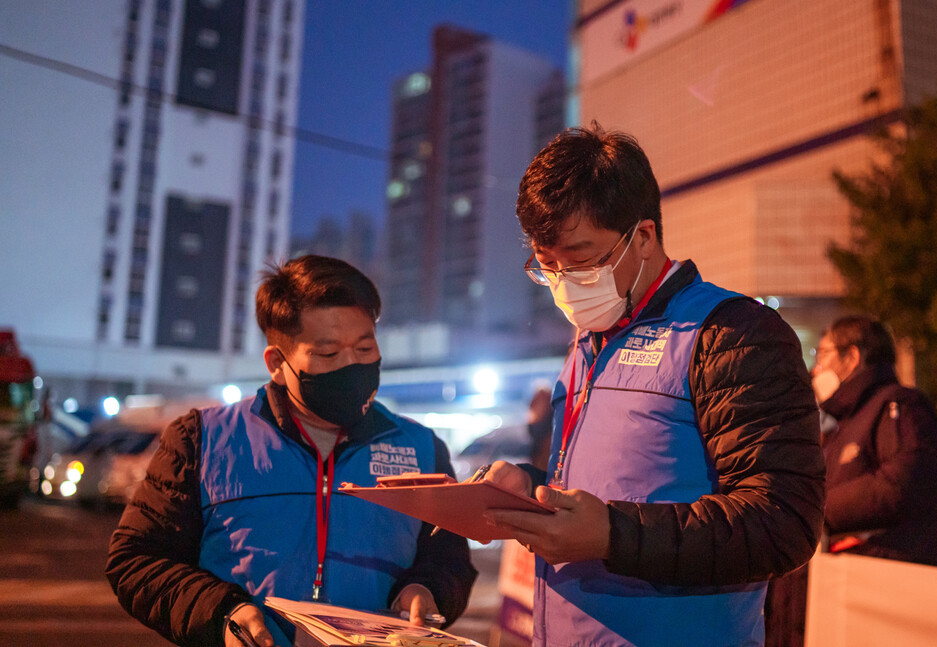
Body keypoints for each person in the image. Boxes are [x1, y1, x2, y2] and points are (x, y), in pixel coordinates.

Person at [482, 124, 826, 646]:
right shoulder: (588, 341)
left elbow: (782, 523)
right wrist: (530, 489)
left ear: (642, 237)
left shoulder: (732, 334)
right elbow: (607, 486)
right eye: (547, 265)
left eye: (581, 259)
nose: (564, 283)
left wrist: (613, 536)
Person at [105, 256, 476, 647]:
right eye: (329, 355)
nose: (352, 366)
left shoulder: (421, 448)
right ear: (277, 364)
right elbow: (136, 561)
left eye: (365, 349)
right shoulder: (201, 440)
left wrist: (427, 589)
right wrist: (222, 613)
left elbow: (450, 561)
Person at [765, 316, 937, 647]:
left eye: (822, 355)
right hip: (833, 609)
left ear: (852, 357)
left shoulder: (899, 405)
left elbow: (901, 484)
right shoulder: (841, 428)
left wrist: (814, 511)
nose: (815, 368)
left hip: (879, 608)